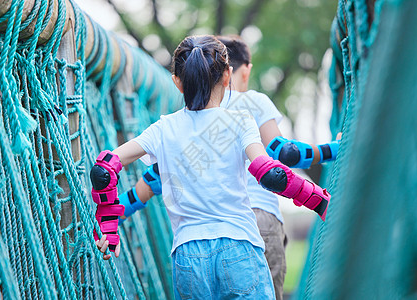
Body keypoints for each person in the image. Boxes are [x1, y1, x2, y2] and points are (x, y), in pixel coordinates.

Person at [91, 35, 330, 299]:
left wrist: (109, 226)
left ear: (177, 83)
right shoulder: (240, 121)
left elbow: (104, 169)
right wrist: (318, 200)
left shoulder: (162, 129)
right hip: (239, 245)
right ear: (228, 76)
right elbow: (270, 174)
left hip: (188, 255)